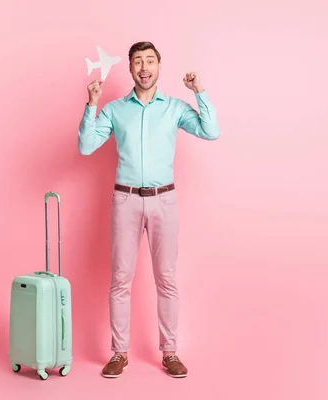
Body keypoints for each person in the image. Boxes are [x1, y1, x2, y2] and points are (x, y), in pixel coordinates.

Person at [77, 41, 220, 378]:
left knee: (166, 279)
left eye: (150, 61)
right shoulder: (114, 109)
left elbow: (211, 131)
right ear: (130, 68)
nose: (144, 67)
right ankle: (119, 352)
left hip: (164, 201)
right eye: (137, 61)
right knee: (120, 280)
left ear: (159, 66)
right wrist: (92, 105)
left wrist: (200, 91)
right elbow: (85, 147)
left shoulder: (175, 108)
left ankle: (170, 351)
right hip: (125, 201)